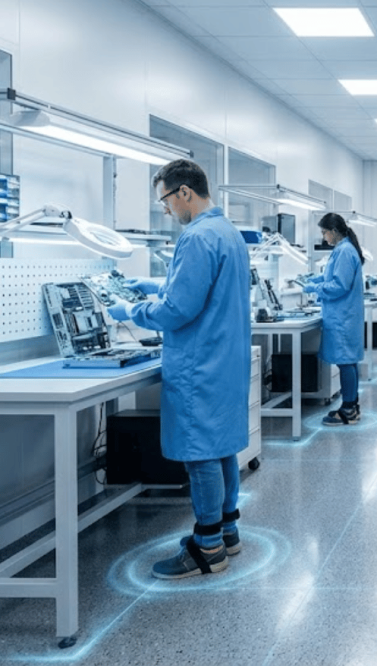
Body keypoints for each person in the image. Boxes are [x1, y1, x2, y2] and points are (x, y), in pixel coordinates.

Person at [106, 159, 250, 579]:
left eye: (165, 201)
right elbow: (202, 288)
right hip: (225, 360)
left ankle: (207, 547)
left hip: (199, 363)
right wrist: (154, 285)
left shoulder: (197, 236)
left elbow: (178, 309)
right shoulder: (228, 234)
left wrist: (131, 309)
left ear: (184, 192)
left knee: (200, 453)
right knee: (221, 446)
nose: (166, 210)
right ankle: (229, 531)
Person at [303, 213, 365, 424]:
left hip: (342, 317)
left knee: (345, 363)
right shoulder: (343, 250)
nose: (323, 237)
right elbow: (333, 276)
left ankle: (348, 410)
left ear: (334, 231)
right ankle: (351, 404)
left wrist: (315, 288)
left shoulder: (345, 252)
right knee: (349, 362)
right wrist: (315, 279)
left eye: (324, 232)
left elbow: (339, 285)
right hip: (344, 315)